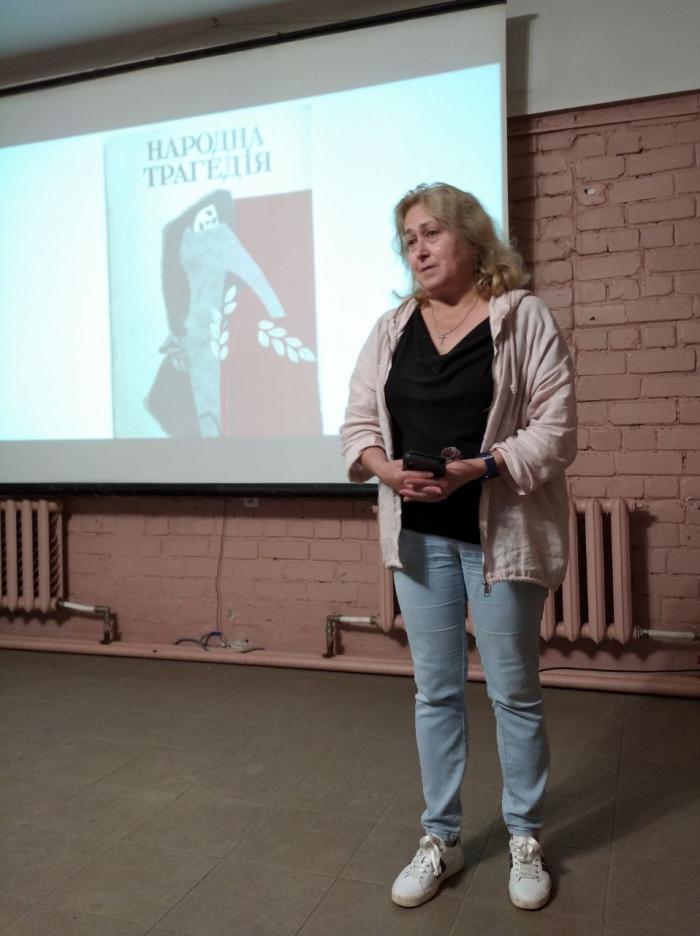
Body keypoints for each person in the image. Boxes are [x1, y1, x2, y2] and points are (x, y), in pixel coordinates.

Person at [340, 183, 577, 911]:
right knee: (436, 692)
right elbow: (358, 425)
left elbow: (556, 429)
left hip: (500, 536)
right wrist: (386, 471)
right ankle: (440, 838)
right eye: (408, 238)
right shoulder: (392, 328)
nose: (418, 248)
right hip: (420, 542)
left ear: (471, 239)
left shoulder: (522, 317)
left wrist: (483, 466)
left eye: (432, 233)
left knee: (514, 694)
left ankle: (525, 838)